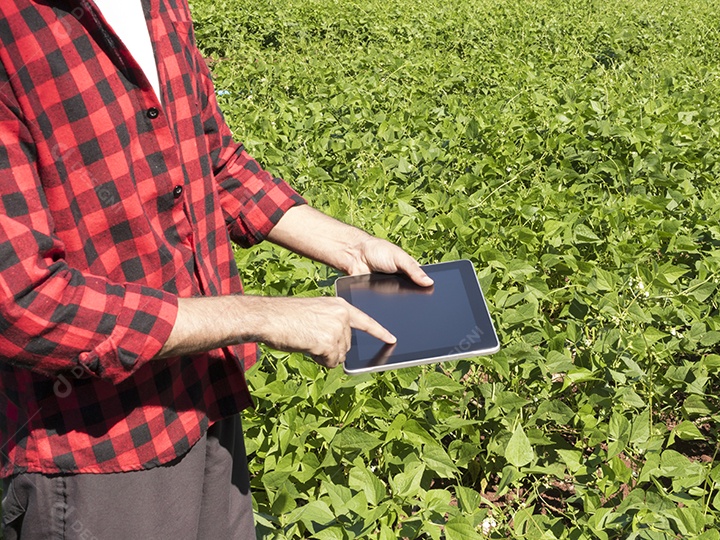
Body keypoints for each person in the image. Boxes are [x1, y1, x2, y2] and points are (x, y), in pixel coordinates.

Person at [0, 1, 431, 538]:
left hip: (204, 398)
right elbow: (23, 303)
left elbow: (213, 160)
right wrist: (261, 316)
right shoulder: (13, 28)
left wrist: (352, 247)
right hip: (101, 444)